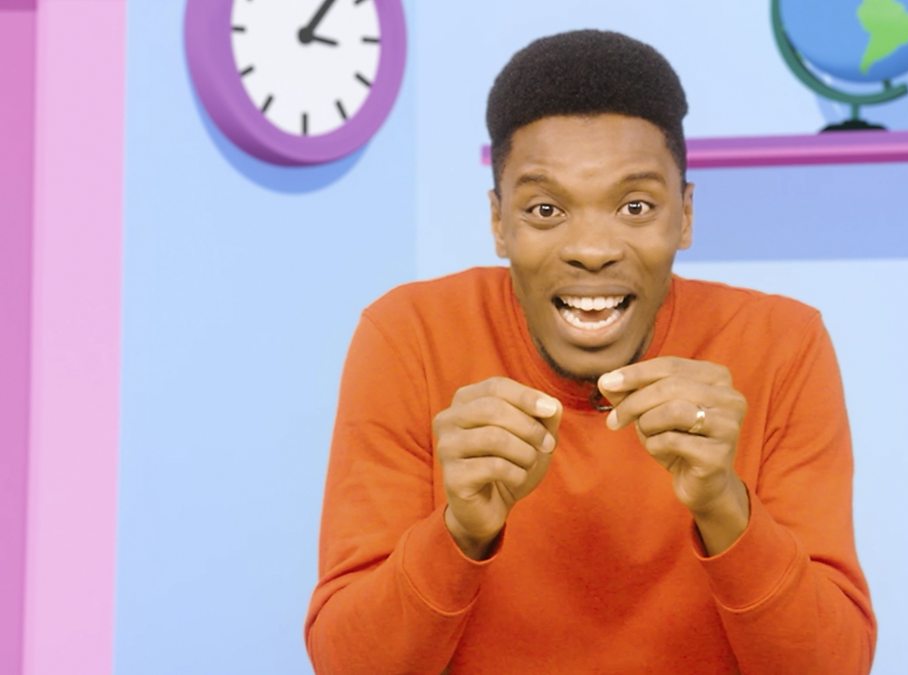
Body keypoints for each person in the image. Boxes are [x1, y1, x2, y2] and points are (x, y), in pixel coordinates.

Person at [305, 29, 875, 674]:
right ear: (498, 222)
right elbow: (346, 664)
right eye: (546, 209)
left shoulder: (782, 345)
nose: (592, 250)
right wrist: (459, 532)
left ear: (685, 215)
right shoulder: (409, 337)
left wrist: (724, 505)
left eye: (635, 205)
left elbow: (834, 664)